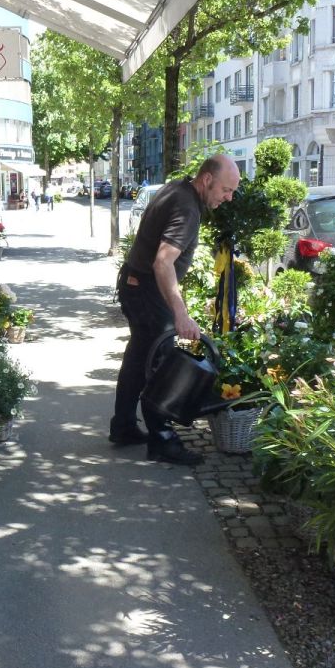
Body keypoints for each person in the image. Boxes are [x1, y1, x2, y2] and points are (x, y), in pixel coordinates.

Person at [109, 154, 239, 465]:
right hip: (147, 291)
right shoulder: (187, 207)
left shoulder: (177, 189)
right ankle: (162, 440)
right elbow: (163, 262)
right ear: (207, 179)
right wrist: (180, 313)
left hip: (136, 284)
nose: (229, 198)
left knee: (139, 358)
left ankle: (123, 426)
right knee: (164, 364)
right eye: (226, 190)